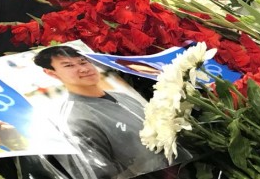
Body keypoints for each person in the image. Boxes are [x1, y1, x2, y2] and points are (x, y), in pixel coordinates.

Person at [34, 45, 176, 179]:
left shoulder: (124, 97)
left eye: (83, 62)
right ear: (51, 73)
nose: (83, 69)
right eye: (69, 65)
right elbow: (98, 173)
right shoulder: (75, 119)